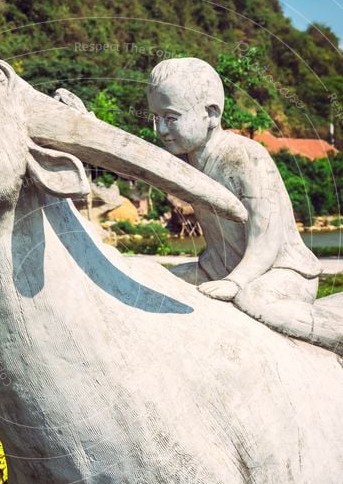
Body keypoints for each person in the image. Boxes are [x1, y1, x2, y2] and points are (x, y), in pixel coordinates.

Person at [146, 57, 343, 354]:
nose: (161, 129)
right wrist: (91, 126)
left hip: (280, 272)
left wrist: (237, 282)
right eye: (155, 117)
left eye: (171, 118)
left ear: (211, 113)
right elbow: (137, 161)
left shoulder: (246, 157)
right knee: (155, 280)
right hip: (218, 268)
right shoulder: (187, 159)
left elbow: (267, 238)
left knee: (254, 299)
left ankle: (335, 335)